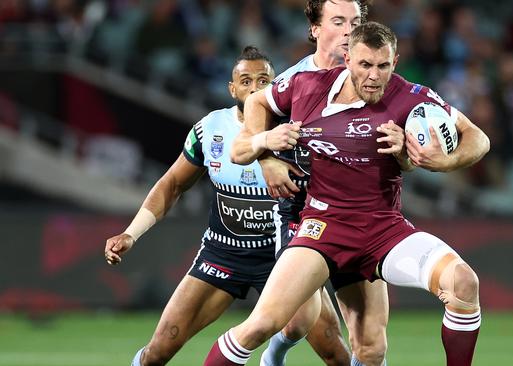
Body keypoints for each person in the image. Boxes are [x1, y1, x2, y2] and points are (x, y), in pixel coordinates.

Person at [206, 21, 490, 366]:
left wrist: (444, 161)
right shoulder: (305, 86)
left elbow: (477, 138)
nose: (374, 76)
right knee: (262, 324)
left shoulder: (411, 97)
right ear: (347, 58)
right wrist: (264, 150)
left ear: (395, 61)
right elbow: (257, 104)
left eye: (383, 66)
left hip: (383, 230)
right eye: (365, 65)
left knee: (458, 285)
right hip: (322, 228)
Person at [103, 46, 347, 366]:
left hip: (285, 257)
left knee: (333, 350)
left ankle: (276, 353)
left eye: (263, 80)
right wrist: (131, 233)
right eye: (245, 81)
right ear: (232, 89)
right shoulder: (210, 129)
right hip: (223, 255)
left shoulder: (295, 132)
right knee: (158, 352)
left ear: (276, 86)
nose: (255, 87)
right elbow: (172, 184)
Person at [232, 2, 390, 366]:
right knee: (297, 322)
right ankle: (273, 356)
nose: (350, 30)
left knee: (371, 342)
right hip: (302, 212)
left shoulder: (374, 77)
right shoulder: (297, 79)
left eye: (356, 21)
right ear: (315, 29)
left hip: (359, 213)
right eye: (338, 21)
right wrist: (266, 158)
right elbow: (256, 110)